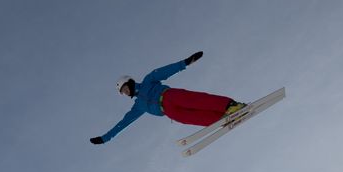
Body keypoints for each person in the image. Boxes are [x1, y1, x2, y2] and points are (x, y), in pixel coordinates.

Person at [90, 51, 245, 145]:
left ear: (129, 82)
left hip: (169, 96)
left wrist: (185, 63)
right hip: (168, 112)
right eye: (123, 92)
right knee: (190, 117)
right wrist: (105, 138)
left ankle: (230, 106)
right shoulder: (138, 106)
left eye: (124, 88)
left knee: (196, 101)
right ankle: (221, 118)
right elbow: (123, 124)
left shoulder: (147, 80)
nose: (125, 92)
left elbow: (164, 72)